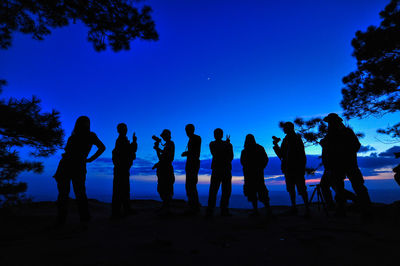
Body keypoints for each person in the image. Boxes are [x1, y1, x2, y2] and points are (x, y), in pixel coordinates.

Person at [53, 116, 105, 228]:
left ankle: (80, 219)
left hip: (75, 166)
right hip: (68, 166)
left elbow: (102, 147)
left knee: (77, 193)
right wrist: (89, 159)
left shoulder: (89, 135)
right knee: (68, 194)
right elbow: (101, 148)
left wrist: (90, 159)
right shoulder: (74, 137)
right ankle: (64, 220)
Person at [322, 113, 371, 217]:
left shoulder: (345, 132)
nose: (329, 124)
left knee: (356, 186)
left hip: (347, 165)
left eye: (330, 122)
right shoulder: (332, 135)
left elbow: (356, 146)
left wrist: (340, 151)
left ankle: (365, 210)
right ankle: (343, 209)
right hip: (341, 166)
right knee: (341, 187)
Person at [273, 122, 310, 217]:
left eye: (285, 128)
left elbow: (299, 155)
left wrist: (301, 167)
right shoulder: (287, 139)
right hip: (290, 168)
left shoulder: (295, 138)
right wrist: (276, 145)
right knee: (292, 189)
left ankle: (306, 209)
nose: (283, 129)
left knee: (300, 188)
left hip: (295, 168)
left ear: (289, 128)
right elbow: (282, 155)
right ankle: (296, 207)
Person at [240, 134, 272, 217]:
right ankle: (264, 211)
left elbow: (243, 162)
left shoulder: (247, 150)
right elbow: (265, 159)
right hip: (254, 174)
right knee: (256, 192)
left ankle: (260, 211)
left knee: (257, 192)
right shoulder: (257, 148)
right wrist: (261, 167)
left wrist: (259, 167)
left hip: (252, 174)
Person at [111, 123, 138, 219]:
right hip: (121, 168)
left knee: (124, 189)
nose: (125, 130)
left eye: (125, 128)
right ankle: (118, 212)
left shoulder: (122, 140)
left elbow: (130, 150)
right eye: (123, 128)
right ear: (119, 130)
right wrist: (134, 142)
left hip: (122, 168)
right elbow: (129, 150)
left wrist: (134, 142)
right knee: (120, 189)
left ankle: (124, 209)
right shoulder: (121, 140)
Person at [206, 128, 234, 217]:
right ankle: (222, 210)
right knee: (223, 191)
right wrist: (227, 144)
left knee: (215, 190)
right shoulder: (225, 144)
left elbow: (220, 154)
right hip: (224, 169)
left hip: (218, 169)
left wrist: (227, 144)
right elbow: (230, 157)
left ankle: (211, 211)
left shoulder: (214, 144)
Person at [153, 129, 175, 214]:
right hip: (165, 169)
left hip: (166, 170)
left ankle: (167, 208)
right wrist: (158, 149)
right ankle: (165, 207)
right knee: (164, 188)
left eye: (164, 136)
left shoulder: (170, 144)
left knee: (165, 188)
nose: (163, 138)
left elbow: (164, 158)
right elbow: (163, 157)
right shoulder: (168, 145)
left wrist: (157, 149)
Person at [181, 124, 201, 214]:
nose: (186, 132)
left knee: (190, 185)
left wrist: (186, 153)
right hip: (191, 164)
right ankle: (194, 204)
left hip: (193, 164)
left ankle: (194, 206)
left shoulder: (196, 138)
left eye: (187, 130)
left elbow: (195, 151)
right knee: (190, 185)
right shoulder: (193, 138)